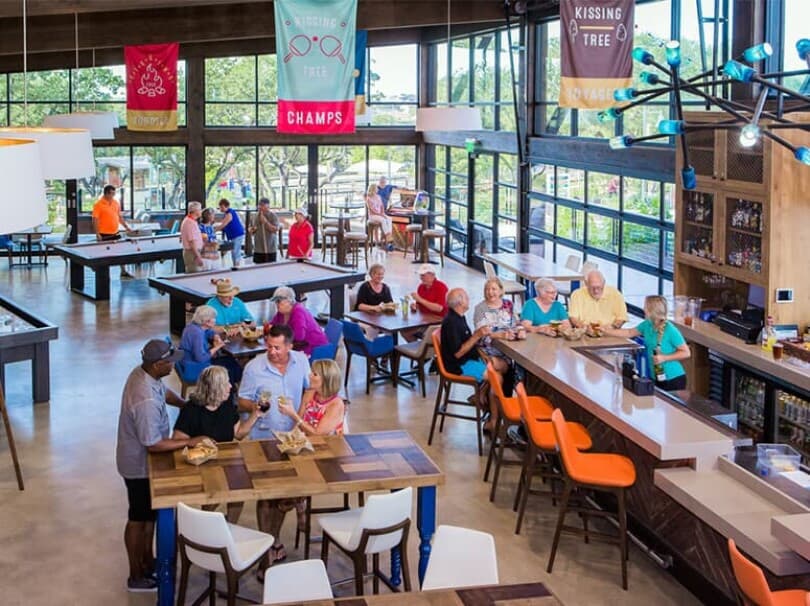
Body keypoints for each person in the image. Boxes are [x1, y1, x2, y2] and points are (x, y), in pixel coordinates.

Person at [115, 338, 200, 593]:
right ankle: (135, 575)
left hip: (142, 460)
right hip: (139, 466)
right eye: (170, 363)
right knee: (138, 518)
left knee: (149, 515)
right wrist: (190, 442)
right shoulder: (145, 401)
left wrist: (185, 405)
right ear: (158, 364)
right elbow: (152, 444)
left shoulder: (144, 375)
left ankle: (148, 560)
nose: (174, 366)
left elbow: (164, 392)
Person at [237, 324, 311, 575]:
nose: (272, 351)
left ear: (289, 346)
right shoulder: (254, 368)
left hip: (293, 441)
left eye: (277, 347)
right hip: (263, 439)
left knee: (285, 496)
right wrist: (257, 404)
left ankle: (275, 539)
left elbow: (309, 390)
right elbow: (242, 400)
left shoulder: (301, 362)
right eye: (269, 346)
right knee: (266, 497)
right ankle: (269, 548)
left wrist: (299, 417)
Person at [171, 366, 260, 523]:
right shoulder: (190, 410)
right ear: (215, 387)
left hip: (223, 461)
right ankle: (207, 524)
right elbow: (177, 441)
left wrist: (256, 414)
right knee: (215, 494)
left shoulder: (227, 406)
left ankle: (231, 525)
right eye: (226, 383)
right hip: (199, 465)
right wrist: (194, 441)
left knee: (240, 490)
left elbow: (238, 434)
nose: (231, 386)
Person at [440, 288, 500, 433]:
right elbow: (458, 353)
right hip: (459, 366)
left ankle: (482, 396)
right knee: (497, 378)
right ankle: (493, 421)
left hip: (469, 359)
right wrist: (477, 335)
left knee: (503, 365)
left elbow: (467, 341)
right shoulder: (451, 322)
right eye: (466, 297)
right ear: (460, 302)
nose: (469, 298)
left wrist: (481, 352)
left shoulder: (460, 316)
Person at [603, 295, 691, 391]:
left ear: (651, 310)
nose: (643, 309)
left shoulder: (670, 330)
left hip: (674, 378)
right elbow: (629, 333)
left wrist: (664, 358)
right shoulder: (647, 325)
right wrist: (605, 331)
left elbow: (686, 352)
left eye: (645, 306)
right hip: (655, 376)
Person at [278, 359, 345, 436]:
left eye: (315, 374)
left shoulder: (336, 405)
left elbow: (317, 434)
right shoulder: (310, 393)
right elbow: (298, 424)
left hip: (326, 445)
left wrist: (292, 414)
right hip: (306, 442)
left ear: (326, 379)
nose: (309, 376)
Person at [179, 304, 242, 385]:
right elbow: (201, 358)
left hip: (186, 362)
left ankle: (229, 390)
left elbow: (209, 331)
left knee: (231, 361)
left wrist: (215, 336)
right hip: (195, 367)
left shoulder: (193, 325)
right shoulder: (197, 334)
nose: (215, 320)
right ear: (207, 321)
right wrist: (217, 347)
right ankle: (226, 394)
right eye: (214, 318)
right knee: (231, 368)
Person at [473, 277, 523, 364]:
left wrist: (520, 330)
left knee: (522, 362)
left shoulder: (508, 304)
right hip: (488, 350)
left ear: (500, 291)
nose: (490, 292)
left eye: (494, 289)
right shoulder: (480, 308)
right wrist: (498, 335)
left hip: (510, 347)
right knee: (496, 365)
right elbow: (480, 336)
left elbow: (517, 323)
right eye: (487, 289)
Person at [270, 286, 328, 357]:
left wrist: (279, 336)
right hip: (299, 348)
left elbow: (299, 336)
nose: (276, 304)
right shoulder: (281, 312)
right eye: (276, 302)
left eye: (278, 301)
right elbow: (272, 326)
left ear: (289, 301)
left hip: (314, 349)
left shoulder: (298, 312)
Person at [93, 185, 134, 278]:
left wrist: (126, 227)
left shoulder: (115, 203)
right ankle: (102, 274)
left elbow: (119, 217)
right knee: (103, 255)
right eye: (112, 194)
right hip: (104, 234)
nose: (114, 196)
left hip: (115, 232)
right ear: (106, 193)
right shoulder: (98, 204)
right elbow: (95, 219)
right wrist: (97, 233)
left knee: (120, 252)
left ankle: (123, 272)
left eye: (114, 193)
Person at [215, 198, 246, 267]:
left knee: (235, 251)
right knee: (234, 251)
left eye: (222, 207)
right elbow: (222, 224)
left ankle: (236, 266)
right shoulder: (227, 213)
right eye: (220, 207)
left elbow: (223, 224)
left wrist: (213, 231)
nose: (220, 209)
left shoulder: (229, 213)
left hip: (237, 234)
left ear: (226, 206)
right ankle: (235, 265)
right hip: (233, 235)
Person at [365, 183, 394, 251]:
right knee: (383, 220)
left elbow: (381, 206)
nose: (377, 189)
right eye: (376, 188)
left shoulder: (378, 197)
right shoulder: (368, 198)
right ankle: (388, 236)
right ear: (373, 189)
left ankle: (388, 235)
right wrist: (380, 214)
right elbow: (371, 209)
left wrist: (383, 213)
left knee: (389, 218)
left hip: (380, 214)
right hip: (373, 215)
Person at [250, 197, 280, 263]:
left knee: (270, 270)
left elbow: (275, 230)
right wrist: (252, 230)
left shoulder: (273, 216)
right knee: (257, 269)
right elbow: (251, 229)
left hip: (270, 249)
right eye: (259, 205)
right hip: (258, 249)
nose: (260, 207)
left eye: (263, 205)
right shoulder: (254, 216)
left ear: (268, 206)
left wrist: (266, 222)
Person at [180, 201, 205, 273]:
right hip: (192, 253)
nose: (201, 211)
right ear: (195, 211)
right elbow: (192, 242)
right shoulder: (190, 223)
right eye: (200, 209)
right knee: (194, 275)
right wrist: (198, 256)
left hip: (193, 252)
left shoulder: (191, 221)